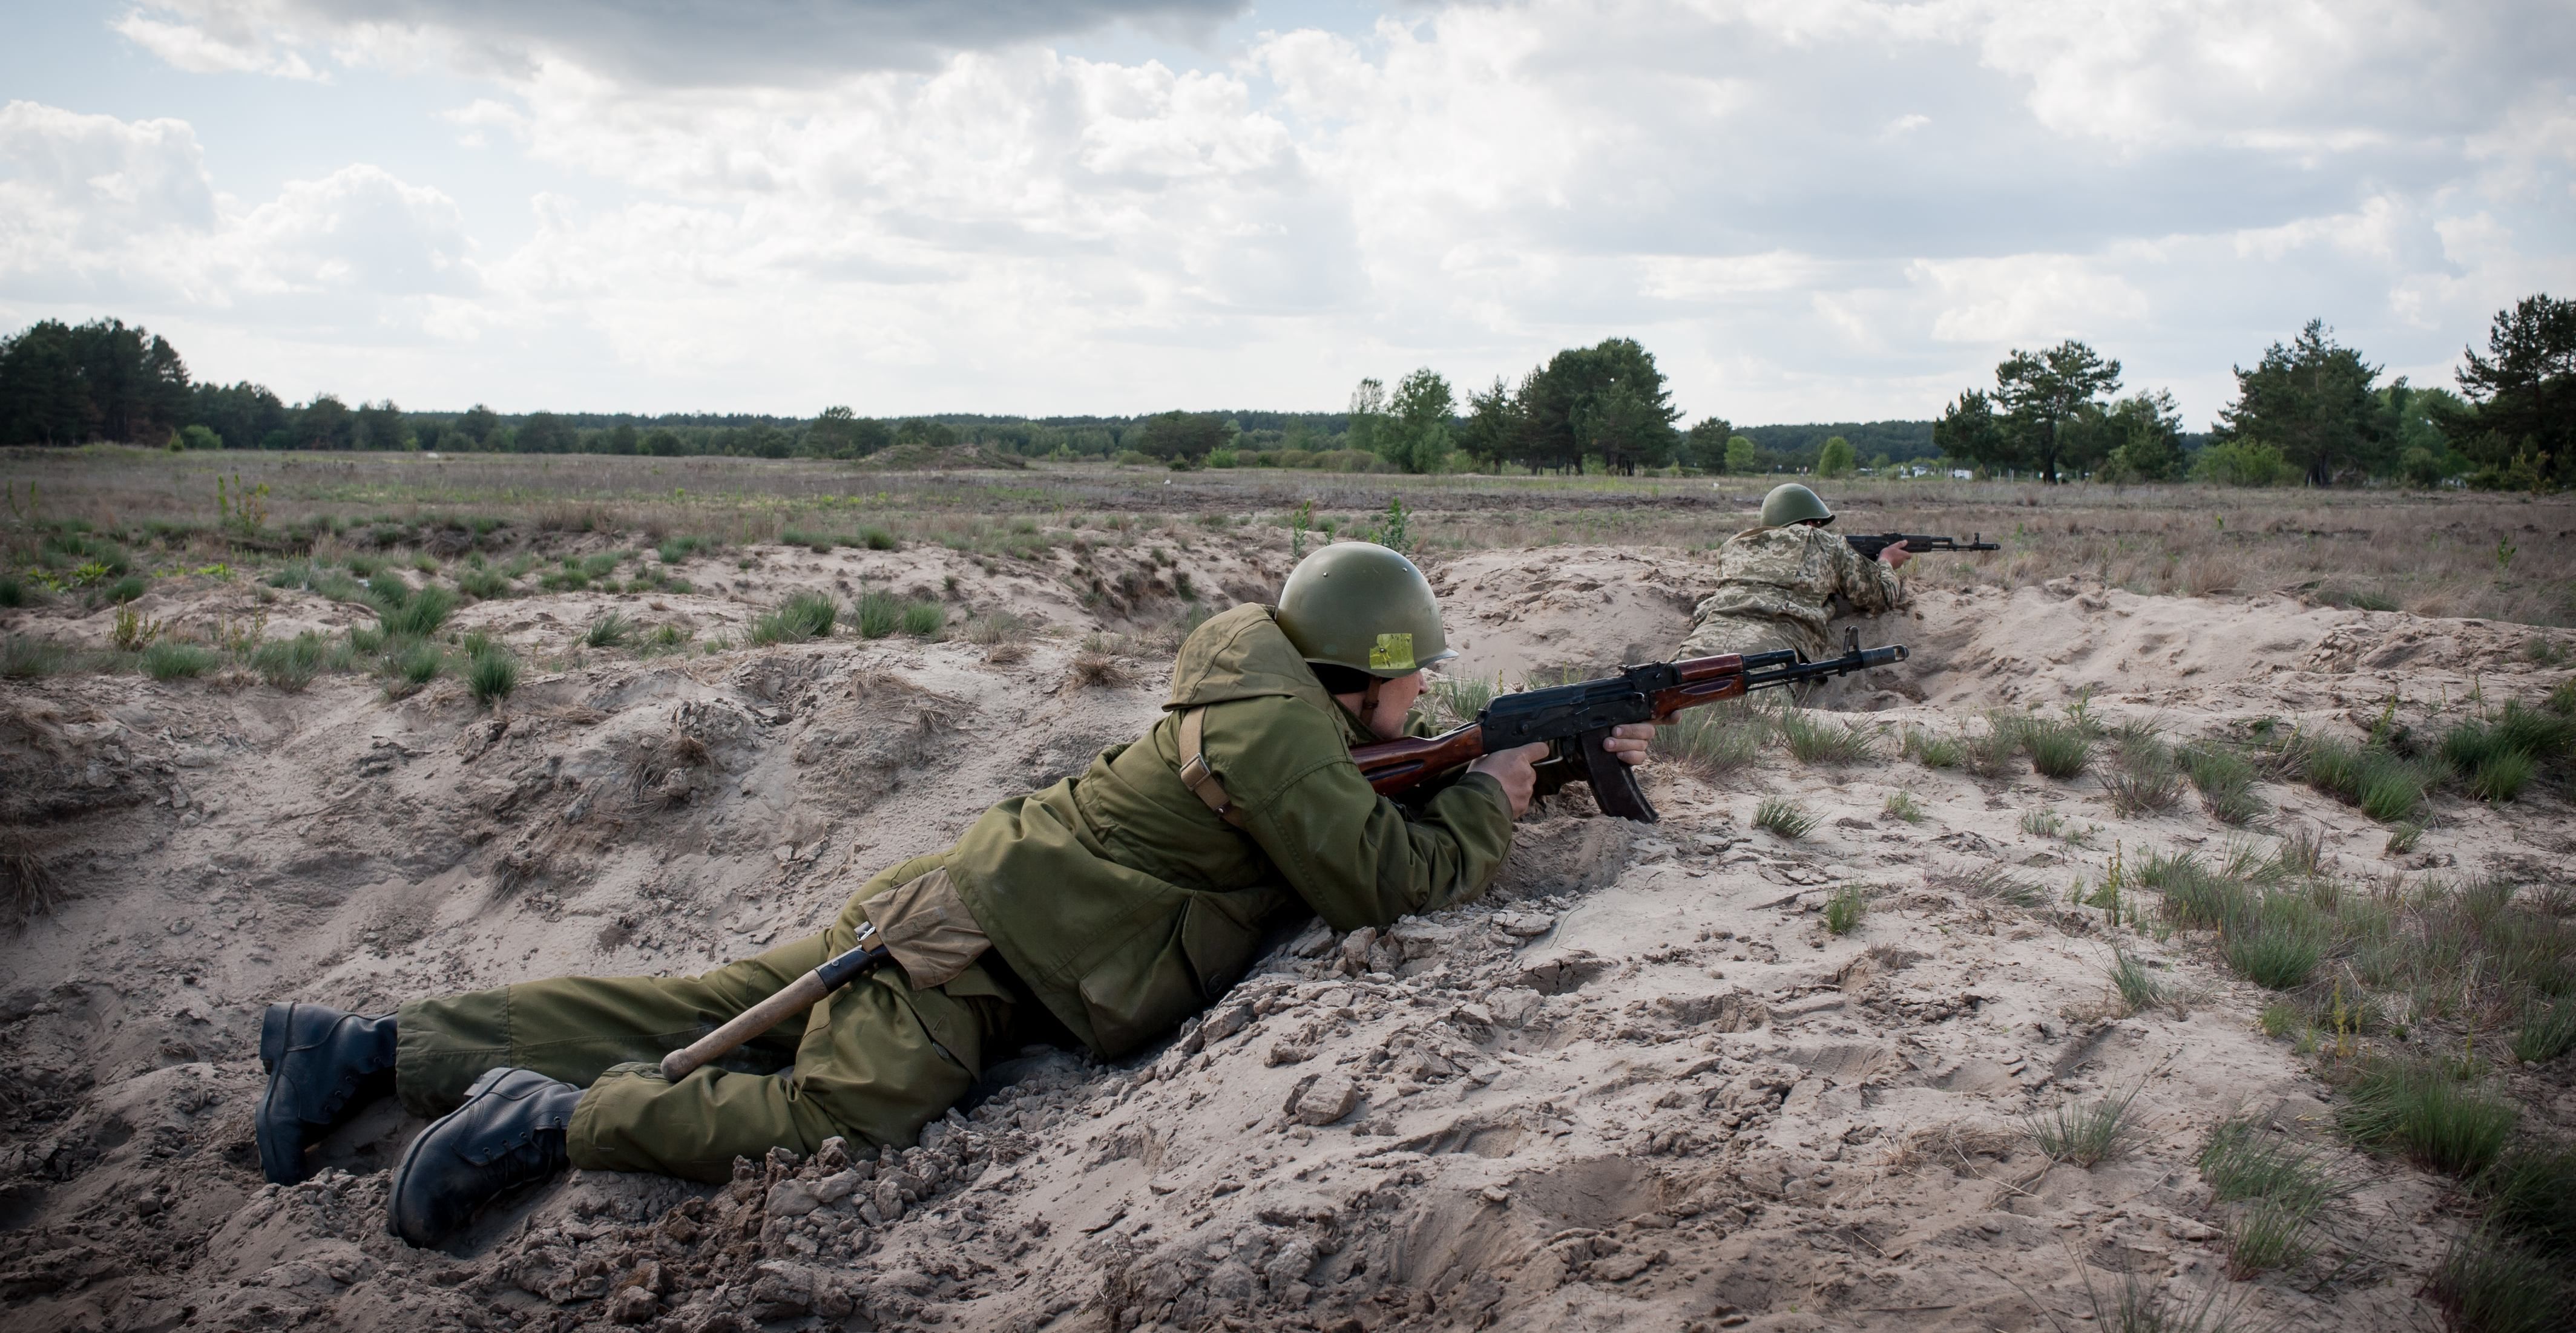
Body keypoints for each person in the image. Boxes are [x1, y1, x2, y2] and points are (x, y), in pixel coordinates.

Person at [254, 543, 1656, 1247]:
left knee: (707, 999)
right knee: (841, 1105)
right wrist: (1495, 793)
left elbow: (1360, 789)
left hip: (976, 890)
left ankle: (365, 1046)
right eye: (1417, 677)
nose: (1432, 698)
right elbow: (1378, 878)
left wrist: (1497, 762)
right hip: (980, 954)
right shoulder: (1288, 734)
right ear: (1358, 675)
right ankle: (559, 1112)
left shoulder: (1270, 689)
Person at [1677, 482, 1911, 663]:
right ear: (1810, 524)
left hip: (1700, 643)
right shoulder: (1823, 542)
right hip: (1770, 651)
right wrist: (1886, 561)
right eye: (1817, 525)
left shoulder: (1733, 546)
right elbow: (1881, 596)